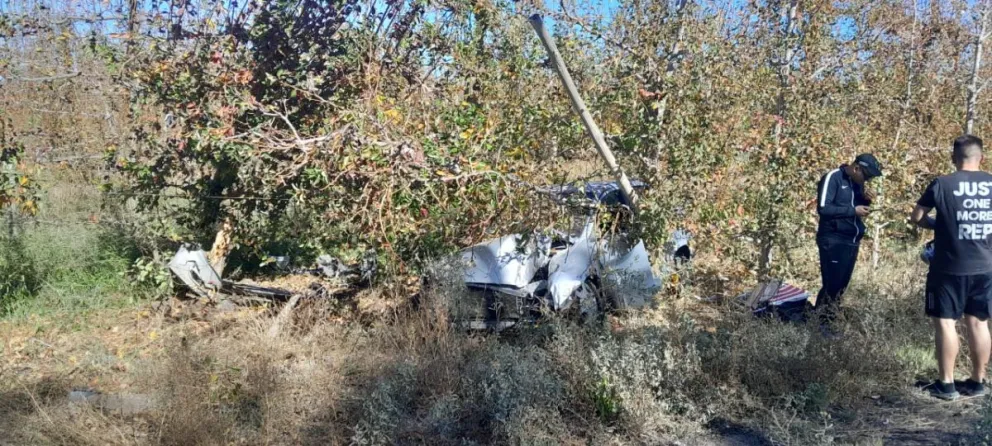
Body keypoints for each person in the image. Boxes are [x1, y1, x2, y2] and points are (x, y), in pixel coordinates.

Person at [911, 134, 992, 400]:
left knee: (946, 323)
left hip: (948, 267)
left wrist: (938, 225)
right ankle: (978, 381)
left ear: (953, 158)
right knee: (979, 323)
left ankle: (946, 385)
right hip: (985, 266)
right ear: (981, 157)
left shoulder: (942, 184)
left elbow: (918, 217)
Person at [814, 153, 883, 326]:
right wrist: (853, 210)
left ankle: (822, 320)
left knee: (841, 285)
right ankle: (823, 323)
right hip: (833, 238)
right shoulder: (833, 178)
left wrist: (867, 200)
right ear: (856, 168)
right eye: (866, 175)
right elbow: (824, 208)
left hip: (852, 239)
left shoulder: (858, 184)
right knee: (833, 284)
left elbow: (859, 208)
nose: (867, 179)